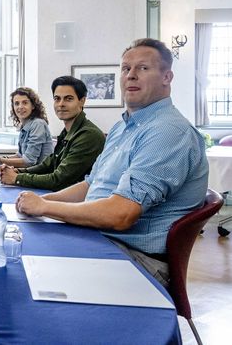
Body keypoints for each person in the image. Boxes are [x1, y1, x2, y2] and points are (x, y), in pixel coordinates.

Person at [15, 38, 208, 286]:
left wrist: (43, 207)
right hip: (100, 237)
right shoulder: (122, 127)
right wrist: (38, 201)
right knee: (17, 247)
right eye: (126, 69)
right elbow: (90, 186)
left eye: (143, 68)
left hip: (134, 257)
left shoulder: (168, 131)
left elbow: (121, 215)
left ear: (167, 77)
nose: (131, 75)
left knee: (21, 267)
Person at [0, 76, 105, 191]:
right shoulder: (68, 131)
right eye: (57, 99)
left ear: (82, 101)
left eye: (68, 99)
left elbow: (58, 180)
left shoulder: (88, 135)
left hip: (80, 202)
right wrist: (17, 171)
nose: (61, 104)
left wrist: (17, 178)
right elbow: (49, 165)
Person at [0, 87, 53, 167]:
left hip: (41, 176)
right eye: (17, 103)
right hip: (29, 173)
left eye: (25, 103)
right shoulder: (25, 126)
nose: (20, 107)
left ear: (33, 106)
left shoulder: (38, 124)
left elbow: (29, 161)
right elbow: (20, 155)